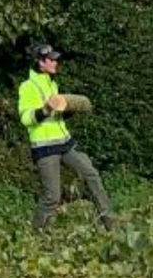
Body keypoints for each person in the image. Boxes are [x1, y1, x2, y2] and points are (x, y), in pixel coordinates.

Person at [18, 42, 114, 232]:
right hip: (45, 148)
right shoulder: (27, 87)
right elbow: (26, 118)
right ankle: (35, 236)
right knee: (52, 197)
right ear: (40, 62)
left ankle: (111, 223)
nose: (55, 62)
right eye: (51, 59)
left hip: (65, 143)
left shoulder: (52, 83)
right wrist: (46, 109)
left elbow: (57, 115)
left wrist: (69, 108)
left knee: (91, 175)